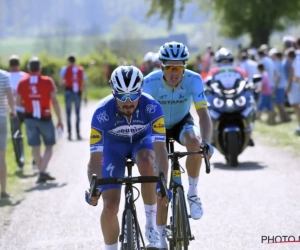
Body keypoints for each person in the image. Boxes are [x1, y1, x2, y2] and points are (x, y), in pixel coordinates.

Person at [85, 66, 170, 250]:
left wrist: (162, 183)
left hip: (142, 143)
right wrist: (94, 187)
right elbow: (94, 159)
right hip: (113, 149)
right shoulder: (101, 113)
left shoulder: (152, 107)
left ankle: (150, 226)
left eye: (133, 95)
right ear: (113, 93)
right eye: (122, 96)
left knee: (148, 161)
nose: (128, 101)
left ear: (141, 92)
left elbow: (161, 150)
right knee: (109, 206)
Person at [143, 41, 214, 248]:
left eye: (179, 67)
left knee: (194, 142)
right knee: (162, 185)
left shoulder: (194, 79)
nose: (174, 72)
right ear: (161, 67)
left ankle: (192, 192)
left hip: (182, 122)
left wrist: (207, 143)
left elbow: (203, 114)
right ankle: (161, 239)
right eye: (169, 68)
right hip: (157, 128)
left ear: (184, 67)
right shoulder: (149, 82)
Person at [17, 57, 63, 183]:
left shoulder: (22, 82)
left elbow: (18, 102)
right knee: (49, 145)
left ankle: (41, 171)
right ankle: (42, 172)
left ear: (28, 69)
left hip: (29, 118)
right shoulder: (48, 81)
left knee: (35, 147)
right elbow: (54, 101)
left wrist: (27, 106)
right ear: (40, 69)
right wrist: (59, 119)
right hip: (45, 117)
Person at [7, 55, 38, 171]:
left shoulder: (6, 77)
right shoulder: (25, 76)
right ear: (19, 65)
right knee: (33, 135)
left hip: (14, 110)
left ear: (9, 65)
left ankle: (20, 163)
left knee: (17, 137)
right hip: (28, 109)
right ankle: (35, 161)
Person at [59, 55, 87, 141]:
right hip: (78, 93)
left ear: (68, 61)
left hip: (68, 92)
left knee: (68, 113)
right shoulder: (80, 69)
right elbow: (85, 83)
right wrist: (85, 96)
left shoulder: (65, 69)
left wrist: (65, 82)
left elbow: (60, 82)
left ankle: (69, 134)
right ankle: (78, 133)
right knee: (77, 113)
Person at [0, 69, 15, 199]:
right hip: (1, 118)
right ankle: (3, 192)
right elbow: (10, 97)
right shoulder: (4, 75)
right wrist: (13, 110)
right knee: (1, 157)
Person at [286, 47, 300, 135]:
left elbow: (297, 77)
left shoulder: (296, 62)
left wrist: (289, 85)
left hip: (297, 86)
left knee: (295, 105)